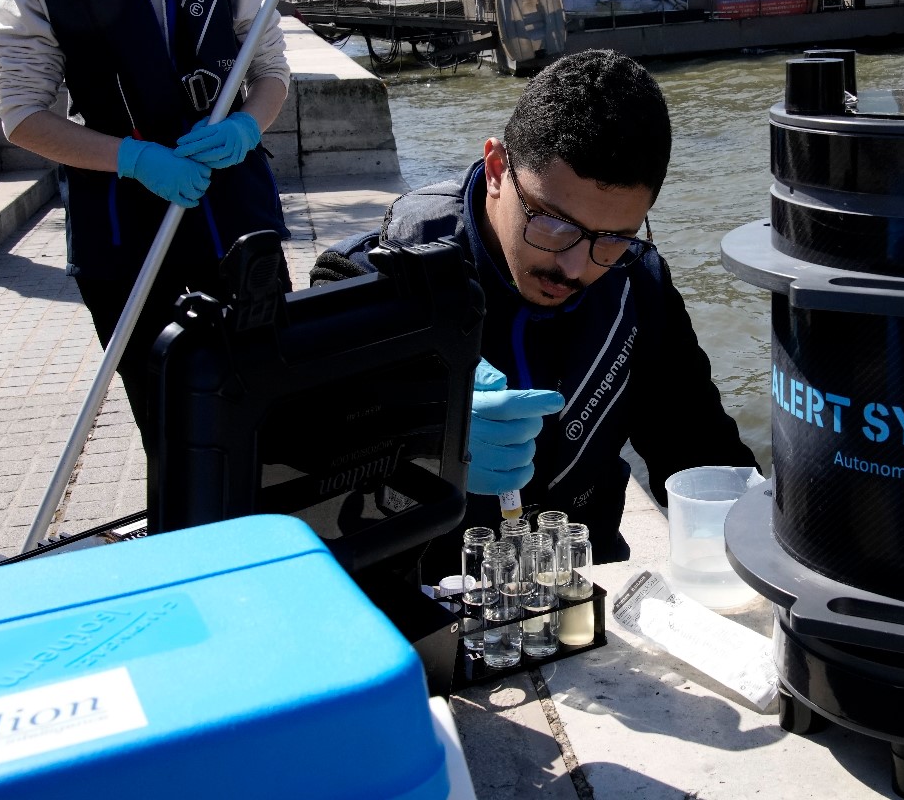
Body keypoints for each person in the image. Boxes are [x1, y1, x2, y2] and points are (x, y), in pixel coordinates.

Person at [310, 50, 758, 561]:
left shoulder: (638, 287)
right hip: (435, 600)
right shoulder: (374, 279)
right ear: (498, 168)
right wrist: (427, 434)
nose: (574, 267)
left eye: (612, 238)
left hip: (584, 593)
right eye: (553, 224)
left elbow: (701, 454)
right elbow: (302, 460)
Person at [0, 0, 291, 453]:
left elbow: (270, 70)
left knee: (271, 411)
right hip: (123, 231)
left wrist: (247, 127)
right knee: (173, 425)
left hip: (235, 217)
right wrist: (133, 159)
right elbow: (22, 116)